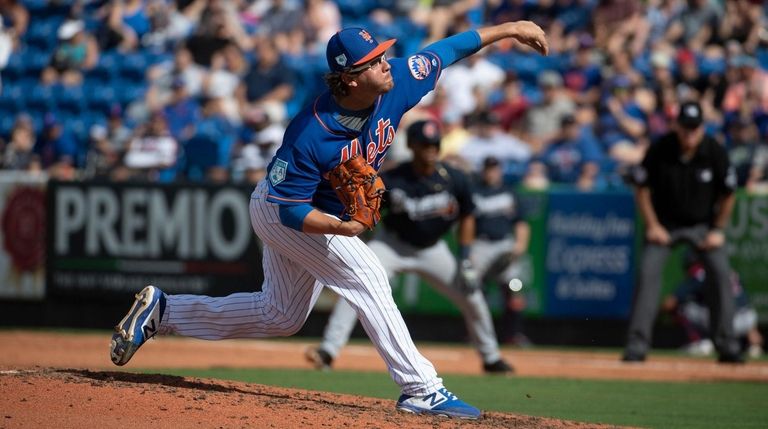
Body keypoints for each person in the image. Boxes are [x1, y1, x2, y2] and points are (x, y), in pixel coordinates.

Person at [109, 22, 548, 420]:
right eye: (374, 62)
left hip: (312, 211)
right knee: (370, 276)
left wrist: (510, 28)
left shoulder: (396, 82)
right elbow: (291, 209)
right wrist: (347, 229)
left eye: (382, 54)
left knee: (280, 315)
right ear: (352, 79)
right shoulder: (311, 133)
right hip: (289, 213)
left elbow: (447, 49)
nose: (386, 63)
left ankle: (164, 311)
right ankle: (421, 389)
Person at [305, 119, 514, 375]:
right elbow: (370, 212)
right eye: (424, 144)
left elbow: (467, 216)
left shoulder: (455, 178)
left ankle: (491, 357)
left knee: (472, 295)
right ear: (412, 146)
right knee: (358, 287)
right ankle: (328, 350)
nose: (430, 149)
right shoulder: (393, 178)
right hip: (393, 246)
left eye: (434, 144)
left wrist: (467, 259)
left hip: (433, 249)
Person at [623, 100, 743, 363]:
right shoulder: (661, 148)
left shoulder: (714, 151)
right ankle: (636, 346)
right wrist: (653, 226)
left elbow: (729, 193)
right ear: (677, 126)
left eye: (695, 127)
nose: (690, 133)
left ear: (702, 127)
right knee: (647, 274)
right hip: (665, 225)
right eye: (685, 127)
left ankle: (727, 345)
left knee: (721, 274)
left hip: (702, 226)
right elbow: (641, 188)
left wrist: (718, 229)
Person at [470, 156, 532, 346]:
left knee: (514, 288)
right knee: (474, 290)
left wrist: (520, 245)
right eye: (488, 168)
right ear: (484, 170)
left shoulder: (509, 192)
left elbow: (521, 223)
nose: (491, 172)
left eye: (495, 168)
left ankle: (513, 334)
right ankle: (476, 335)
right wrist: (469, 249)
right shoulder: (475, 191)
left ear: (500, 170)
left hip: (504, 244)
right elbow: (468, 222)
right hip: (481, 245)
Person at [662, 250, 764, 359]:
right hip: (746, 319)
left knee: (684, 308)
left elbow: (669, 303)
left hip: (722, 323)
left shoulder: (700, 272)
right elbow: (742, 299)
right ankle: (755, 346)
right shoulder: (728, 270)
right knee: (743, 308)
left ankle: (700, 342)